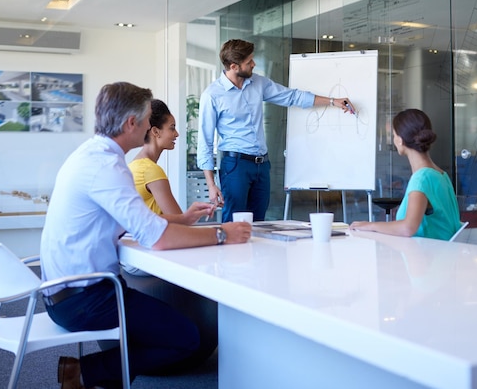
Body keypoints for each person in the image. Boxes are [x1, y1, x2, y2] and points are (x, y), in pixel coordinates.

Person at [40, 82, 251, 389]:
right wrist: (223, 234)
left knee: (163, 328)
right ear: (131, 124)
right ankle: (84, 372)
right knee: (186, 337)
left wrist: (181, 218)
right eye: (146, 119)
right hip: (85, 298)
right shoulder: (108, 168)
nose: (149, 126)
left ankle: (92, 376)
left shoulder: (89, 155)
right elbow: (159, 239)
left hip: (63, 290)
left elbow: (130, 223)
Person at [197, 39, 356, 222]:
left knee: (259, 223)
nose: (254, 64)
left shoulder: (258, 83)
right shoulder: (212, 95)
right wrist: (211, 184)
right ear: (234, 66)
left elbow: (291, 96)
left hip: (262, 165)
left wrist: (332, 101)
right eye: (249, 62)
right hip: (235, 166)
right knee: (234, 222)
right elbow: (205, 141)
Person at [127, 99, 219, 368]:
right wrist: (200, 216)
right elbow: (179, 224)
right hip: (154, 256)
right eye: (172, 128)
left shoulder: (134, 164)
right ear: (154, 131)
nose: (177, 134)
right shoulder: (151, 170)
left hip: (136, 255)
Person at [350, 108, 462, 240]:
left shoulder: (421, 179)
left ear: (400, 140)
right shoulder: (441, 175)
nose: (393, 139)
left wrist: (370, 225)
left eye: (394, 135)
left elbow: (408, 228)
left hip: (429, 258)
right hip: (442, 256)